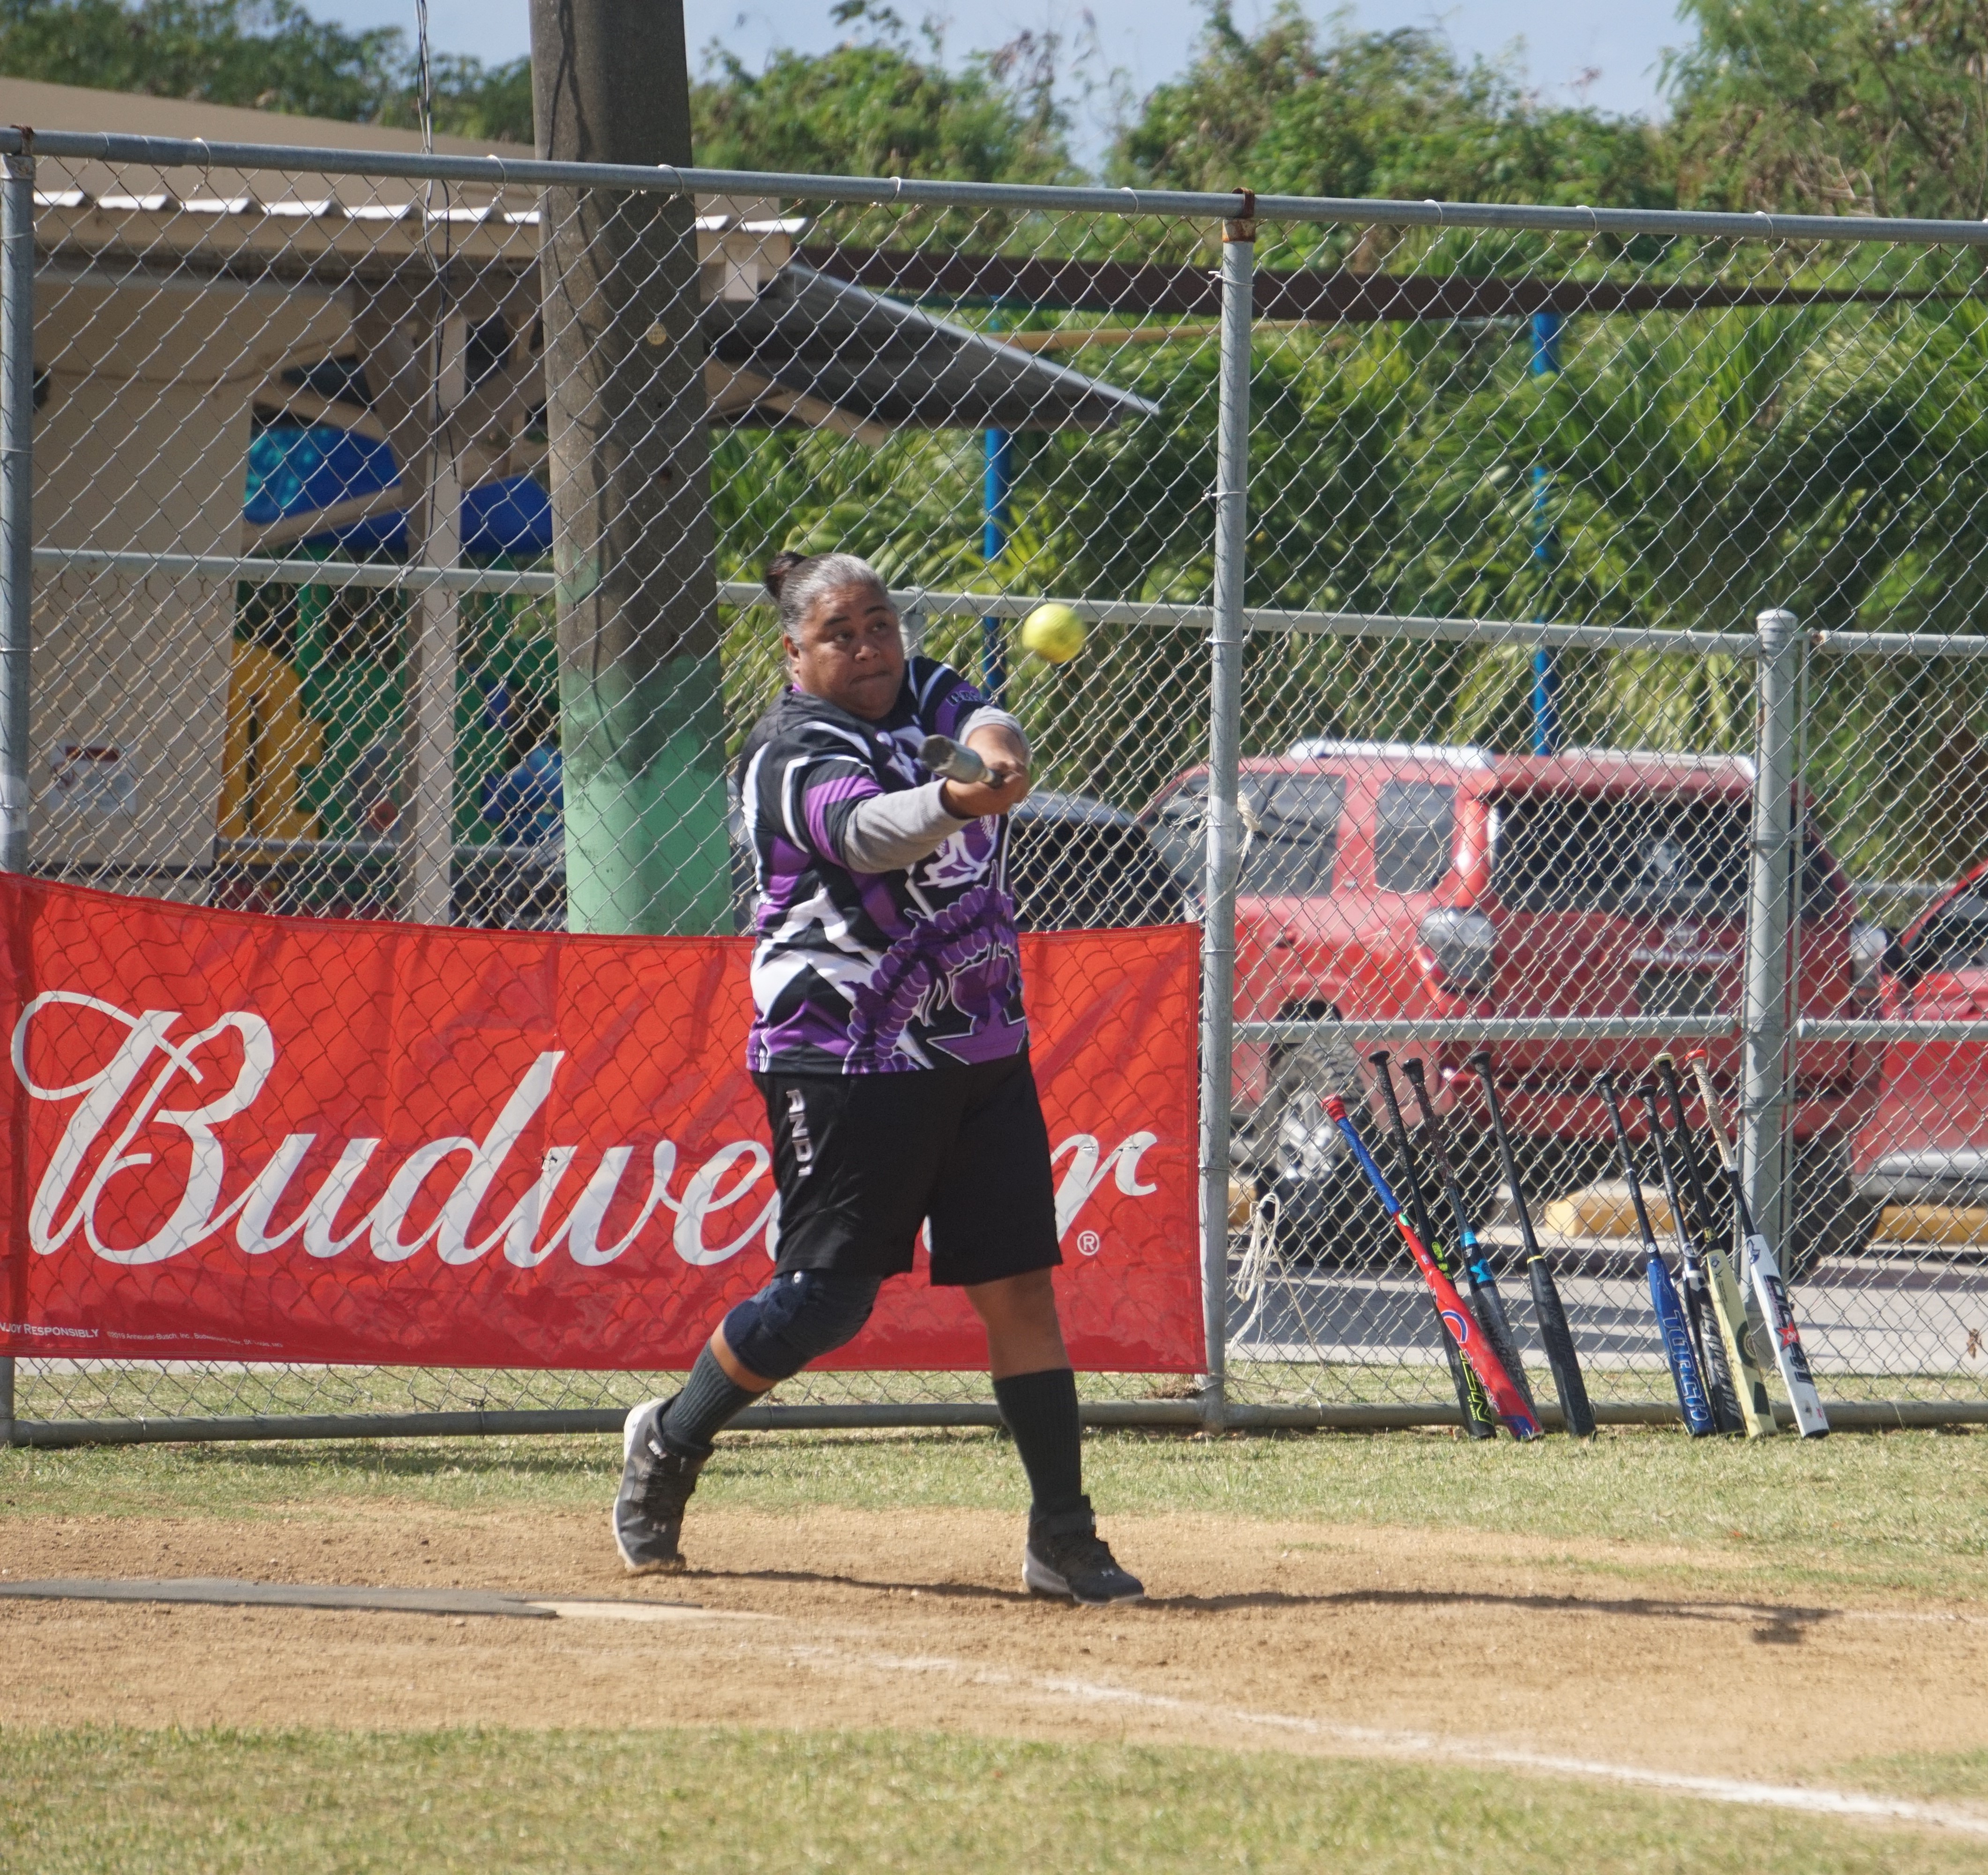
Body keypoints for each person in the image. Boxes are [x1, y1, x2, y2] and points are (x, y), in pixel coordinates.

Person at [612, 549, 1143, 1606]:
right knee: (825, 1301)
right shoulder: (787, 748)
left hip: (981, 1047)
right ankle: (670, 1436)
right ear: (793, 652)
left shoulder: (925, 689)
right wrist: (960, 794)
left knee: (1022, 1289)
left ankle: (1063, 1534)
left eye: (880, 624)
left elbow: (989, 718)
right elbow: (863, 833)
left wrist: (996, 755)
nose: (869, 647)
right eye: (841, 632)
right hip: (843, 1053)